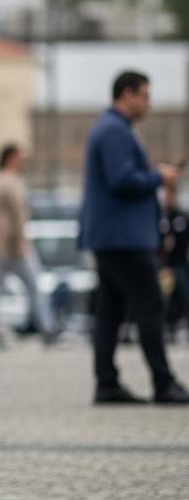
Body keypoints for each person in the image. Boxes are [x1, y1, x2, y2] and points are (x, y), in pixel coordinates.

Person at [78, 71, 189, 404]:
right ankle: (163, 382)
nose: (149, 103)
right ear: (127, 93)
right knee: (151, 303)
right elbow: (122, 179)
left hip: (114, 237)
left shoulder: (112, 128)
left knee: (111, 310)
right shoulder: (114, 130)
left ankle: (107, 383)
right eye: (144, 95)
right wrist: (159, 175)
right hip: (123, 238)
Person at [0, 144, 60, 347]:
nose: (23, 162)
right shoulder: (2, 180)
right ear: (10, 158)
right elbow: (0, 212)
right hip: (8, 246)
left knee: (24, 288)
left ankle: (47, 328)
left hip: (13, 246)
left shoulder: (11, 180)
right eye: (20, 158)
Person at [162, 180, 189, 341]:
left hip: (180, 264)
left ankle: (180, 323)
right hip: (164, 266)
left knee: (184, 292)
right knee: (163, 293)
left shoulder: (182, 217)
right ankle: (166, 324)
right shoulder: (160, 216)